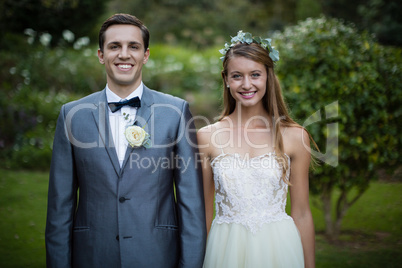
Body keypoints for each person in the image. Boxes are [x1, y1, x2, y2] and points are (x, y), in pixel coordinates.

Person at [45, 13, 206, 267]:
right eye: (114, 46)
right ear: (101, 55)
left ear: (146, 55)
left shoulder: (175, 112)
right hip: (92, 255)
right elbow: (59, 207)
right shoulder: (72, 115)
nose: (123, 54)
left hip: (157, 254)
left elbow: (191, 204)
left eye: (133, 46)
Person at [198, 31, 315, 267]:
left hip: (280, 249)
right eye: (237, 76)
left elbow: (302, 213)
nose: (246, 84)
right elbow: (202, 215)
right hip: (224, 250)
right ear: (226, 79)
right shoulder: (206, 137)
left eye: (255, 75)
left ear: (268, 77)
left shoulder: (294, 136)